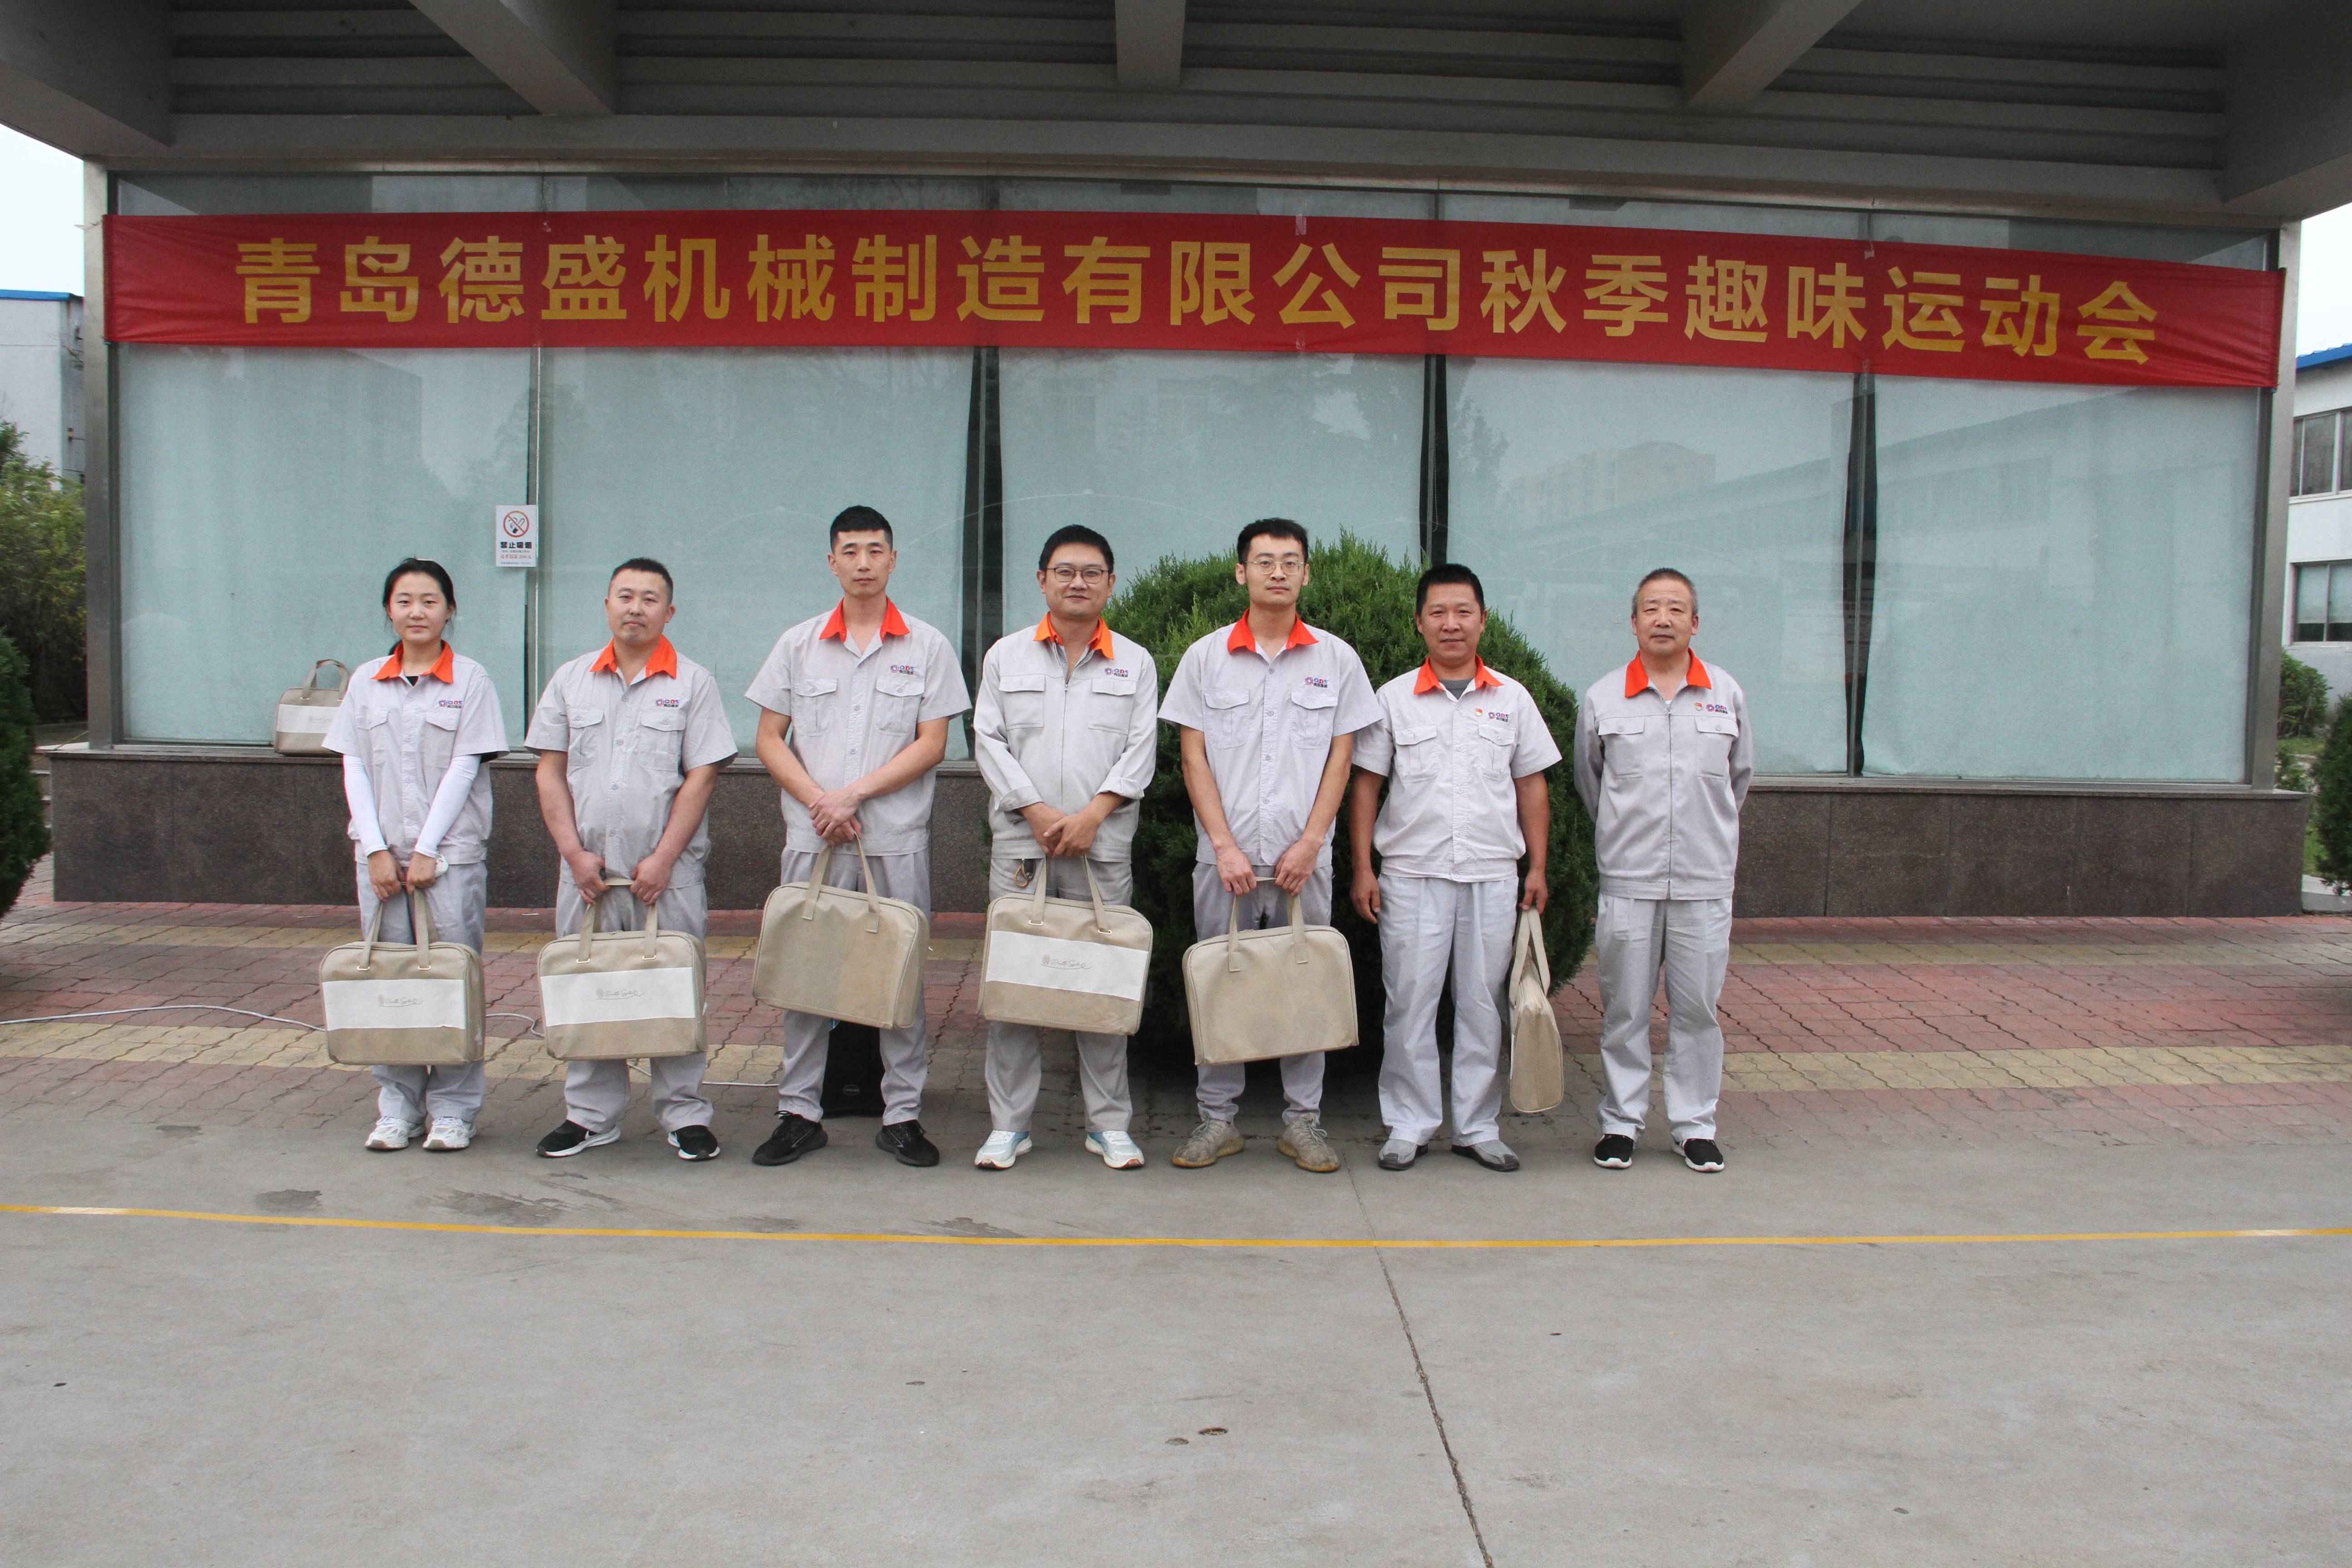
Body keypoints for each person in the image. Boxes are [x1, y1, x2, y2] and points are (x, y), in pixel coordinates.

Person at [743, 505, 970, 1169]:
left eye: (876, 550)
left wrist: (854, 796)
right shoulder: (798, 644)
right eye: (851, 551)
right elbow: (768, 738)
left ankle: (902, 1115)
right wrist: (823, 802)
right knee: (803, 970)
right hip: (814, 837)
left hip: (893, 838)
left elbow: (933, 744)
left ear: (893, 560)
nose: (864, 563)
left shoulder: (926, 646)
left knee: (899, 976)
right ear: (832, 562)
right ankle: (798, 1112)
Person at [1158, 518, 1381, 1173]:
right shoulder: (1205, 658)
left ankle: (1303, 1122)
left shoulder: (1337, 660)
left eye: (1290, 562)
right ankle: (1216, 1120)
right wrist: (1223, 846)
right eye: (1264, 561)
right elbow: (1193, 759)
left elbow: (1343, 759)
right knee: (1220, 986)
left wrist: (1312, 842)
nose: (1277, 572)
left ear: (1307, 573)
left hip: (1302, 863)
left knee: (1304, 988)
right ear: (1241, 573)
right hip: (1223, 862)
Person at [1348, 564, 1560, 1173]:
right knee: (1409, 1002)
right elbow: (1366, 787)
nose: (1451, 624)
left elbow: (1532, 785)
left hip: (1492, 873)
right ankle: (1409, 1123)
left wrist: (1538, 867)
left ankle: (1476, 1126)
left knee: (1482, 1004)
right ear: (1419, 622)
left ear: (1483, 620)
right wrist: (1363, 868)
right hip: (1412, 874)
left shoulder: (1512, 699)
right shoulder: (1393, 699)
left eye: (1463, 612)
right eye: (1438, 613)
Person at [525, 559, 737, 1161]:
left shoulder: (692, 683)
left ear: (669, 612)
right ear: (607, 605)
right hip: (587, 872)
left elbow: (702, 776)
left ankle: (684, 1114)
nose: (635, 608)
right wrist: (573, 853)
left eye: (649, 599)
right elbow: (549, 773)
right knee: (590, 987)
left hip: (667, 874)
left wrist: (665, 857)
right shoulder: (570, 680)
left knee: (675, 986)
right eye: (625, 596)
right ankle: (591, 1116)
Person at [969, 524, 1160, 1171]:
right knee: (1014, 988)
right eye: (1065, 571)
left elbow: (1141, 751)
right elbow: (988, 741)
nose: (1078, 582)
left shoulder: (1135, 662)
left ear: (1111, 582)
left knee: (1103, 984)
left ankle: (1109, 1126)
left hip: (1101, 849)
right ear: (1042, 580)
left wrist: (1092, 816)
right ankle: (1009, 1126)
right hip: (1024, 848)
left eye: (1091, 572)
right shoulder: (1006, 657)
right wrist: (1039, 812)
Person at [325, 558, 509, 1154]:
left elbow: (465, 767)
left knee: (451, 977)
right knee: (389, 980)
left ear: (450, 610)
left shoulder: (471, 681)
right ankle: (397, 1106)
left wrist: (427, 849)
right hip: (380, 858)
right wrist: (376, 849)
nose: (417, 612)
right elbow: (354, 766)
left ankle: (454, 1109)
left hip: (448, 856)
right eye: (405, 601)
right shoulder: (365, 681)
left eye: (430, 601)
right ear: (389, 610)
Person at [1573, 568, 1752, 1174]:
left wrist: (1705, 834)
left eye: (1676, 609)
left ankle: (1694, 1125)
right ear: (1634, 622)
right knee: (1625, 1009)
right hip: (1630, 878)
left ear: (1695, 623)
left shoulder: (1726, 694)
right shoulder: (1604, 697)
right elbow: (1591, 782)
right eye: (1651, 608)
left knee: (1698, 1008)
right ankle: (1620, 1123)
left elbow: (1738, 780)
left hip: (1704, 880)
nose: (1663, 618)